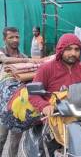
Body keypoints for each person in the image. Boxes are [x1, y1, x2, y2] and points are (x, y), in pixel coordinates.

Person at [0, 27, 40, 157]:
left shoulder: (23, 56)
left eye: (17, 37)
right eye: (11, 37)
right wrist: (28, 61)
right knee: (1, 137)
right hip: (3, 106)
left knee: (15, 142)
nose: (15, 40)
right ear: (4, 39)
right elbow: (5, 60)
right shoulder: (2, 52)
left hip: (19, 105)